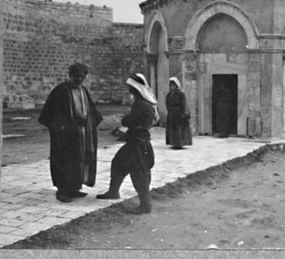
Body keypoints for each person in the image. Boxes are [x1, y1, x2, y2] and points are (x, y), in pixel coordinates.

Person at [38, 63, 103, 203]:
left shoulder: (83, 90)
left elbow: (91, 111)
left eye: (82, 77)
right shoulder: (61, 90)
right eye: (76, 76)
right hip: (65, 135)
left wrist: (88, 121)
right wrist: (60, 128)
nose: (79, 79)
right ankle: (62, 190)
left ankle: (74, 187)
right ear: (70, 75)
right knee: (65, 161)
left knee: (79, 161)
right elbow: (50, 113)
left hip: (82, 133)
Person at [97, 73, 156, 214]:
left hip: (138, 143)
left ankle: (145, 205)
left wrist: (126, 120)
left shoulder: (142, 104)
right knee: (118, 163)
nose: (129, 89)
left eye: (131, 87)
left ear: (137, 88)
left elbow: (127, 121)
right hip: (135, 141)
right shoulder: (142, 103)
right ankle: (113, 192)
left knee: (139, 174)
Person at [165, 77, 192, 149]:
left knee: (179, 128)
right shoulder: (169, 94)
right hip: (171, 114)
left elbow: (183, 104)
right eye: (170, 85)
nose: (172, 87)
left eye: (173, 85)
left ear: (176, 86)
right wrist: (170, 110)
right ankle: (173, 142)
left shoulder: (181, 94)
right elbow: (167, 103)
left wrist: (182, 113)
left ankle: (180, 143)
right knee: (172, 128)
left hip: (179, 113)